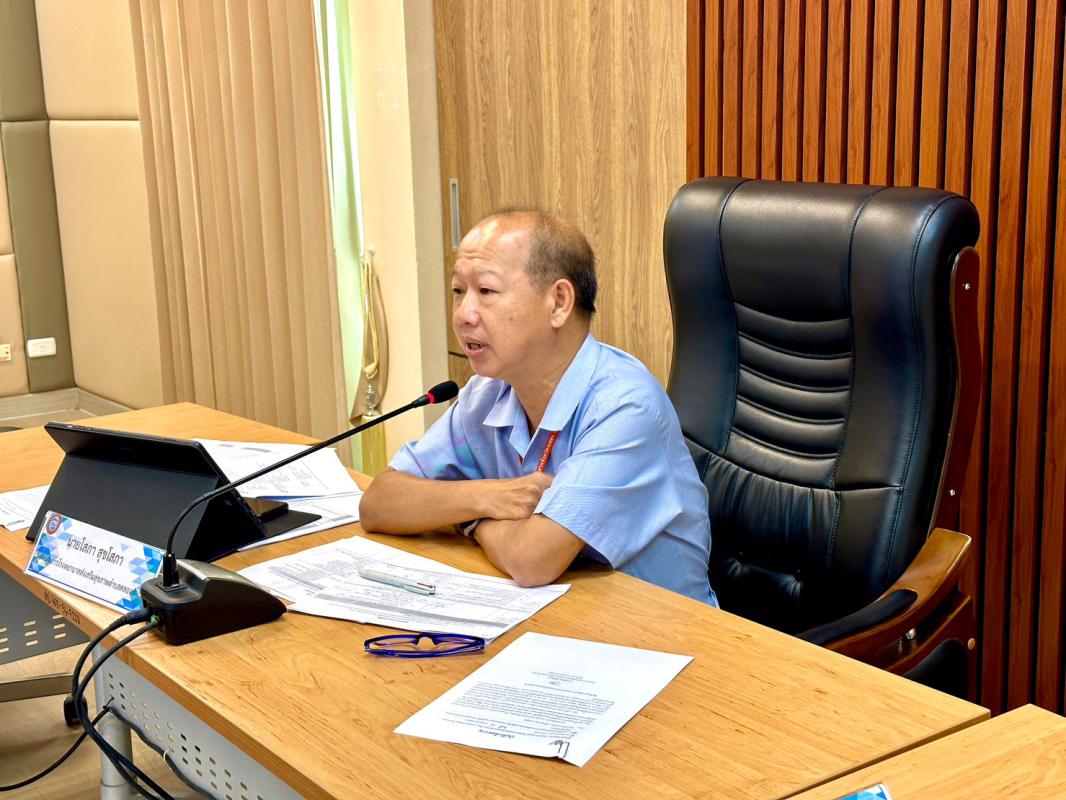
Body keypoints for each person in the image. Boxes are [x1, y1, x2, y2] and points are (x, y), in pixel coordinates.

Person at [359, 210, 717, 605]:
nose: (463, 315)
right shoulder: (486, 395)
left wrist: (468, 520)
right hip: (558, 616)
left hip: (660, 631)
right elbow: (379, 503)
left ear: (559, 302)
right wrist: (487, 497)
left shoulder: (625, 407)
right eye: (459, 291)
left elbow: (532, 560)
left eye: (486, 291)